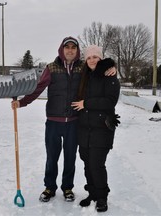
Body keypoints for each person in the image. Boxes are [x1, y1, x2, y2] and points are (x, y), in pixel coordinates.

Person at [11, 37, 116, 203]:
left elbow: (98, 68)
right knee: (52, 157)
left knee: (70, 158)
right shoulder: (51, 68)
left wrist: (111, 66)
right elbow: (38, 88)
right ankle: (49, 187)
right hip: (53, 121)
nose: (70, 50)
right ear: (61, 49)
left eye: (73, 48)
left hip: (74, 122)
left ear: (77, 50)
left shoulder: (82, 67)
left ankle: (67, 187)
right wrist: (22, 102)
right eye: (67, 47)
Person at [71, 45, 120, 212]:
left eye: (95, 57)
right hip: (84, 129)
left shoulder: (109, 76)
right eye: (89, 57)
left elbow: (110, 101)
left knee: (97, 164)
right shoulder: (85, 76)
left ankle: (102, 197)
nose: (92, 60)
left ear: (101, 58)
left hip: (102, 128)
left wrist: (86, 103)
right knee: (86, 163)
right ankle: (91, 193)